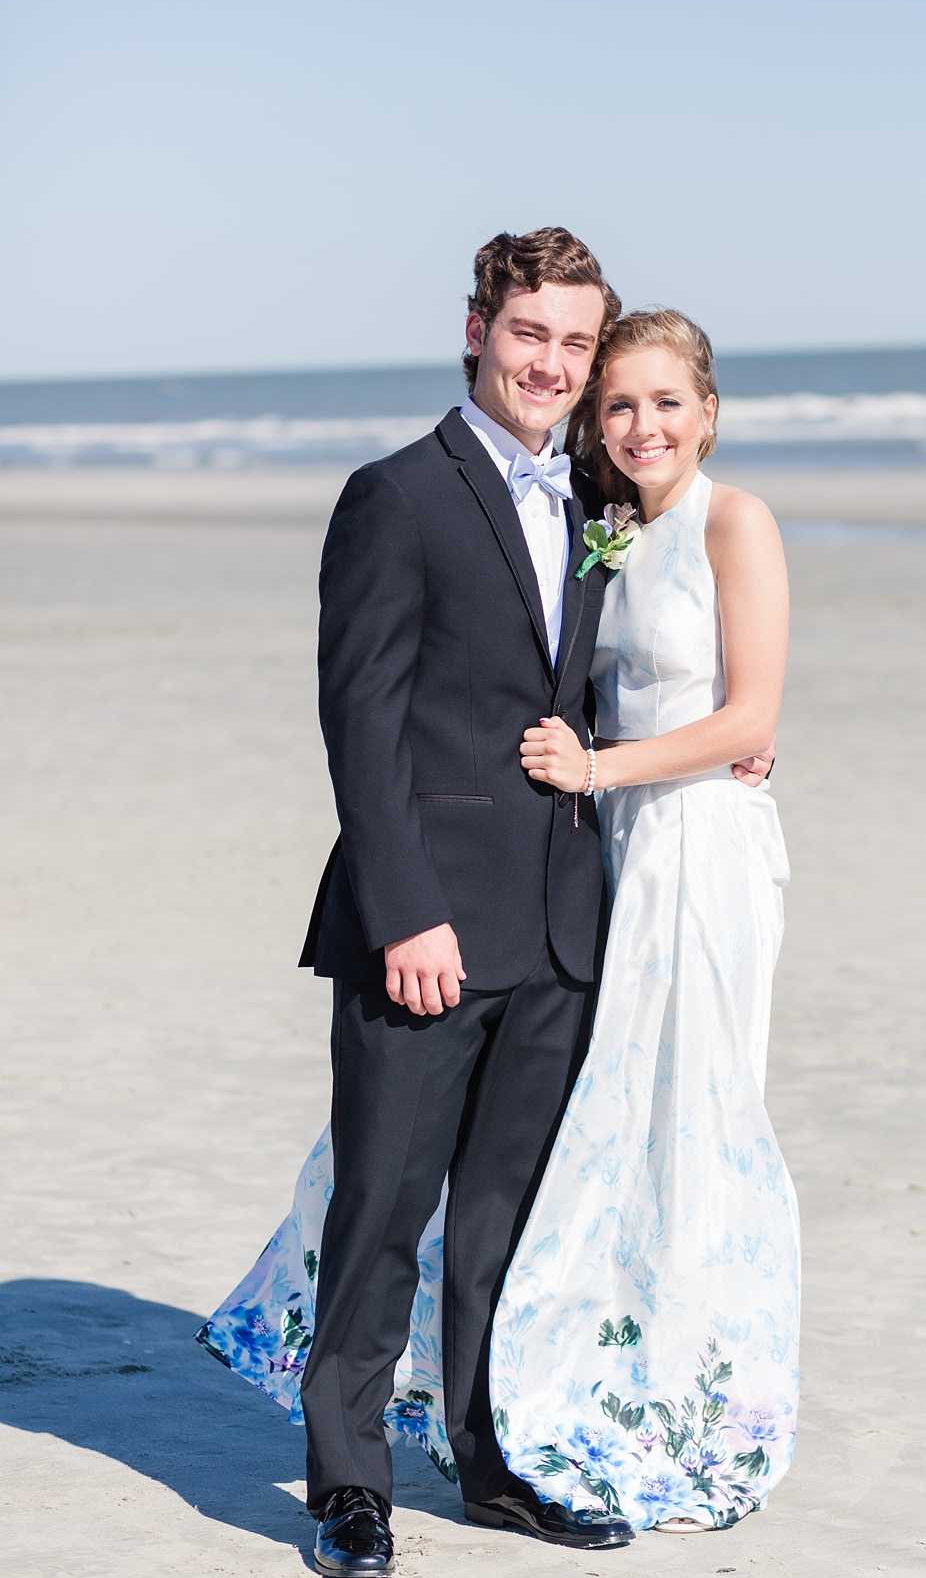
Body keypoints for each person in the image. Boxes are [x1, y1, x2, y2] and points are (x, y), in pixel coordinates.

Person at [196, 233, 773, 1572]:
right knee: (383, 1210)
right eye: (534, 336)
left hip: (570, 923)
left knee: (508, 1225)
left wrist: (732, 736)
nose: (556, 365)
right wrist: (403, 913)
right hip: (428, 929)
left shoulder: (593, 496)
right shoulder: (396, 495)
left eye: (579, 344)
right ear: (477, 331)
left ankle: (494, 1464)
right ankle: (348, 1486)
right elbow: (362, 721)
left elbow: (610, 690)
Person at [494, 309, 801, 1531]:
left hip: (705, 850)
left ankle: (698, 1396)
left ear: (708, 412)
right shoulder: (611, 528)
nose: (642, 426)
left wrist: (599, 773)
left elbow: (751, 720)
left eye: (667, 403)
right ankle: (609, 1362)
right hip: (616, 848)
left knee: (696, 1105)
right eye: (619, 405)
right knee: (611, 1107)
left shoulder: (738, 521)